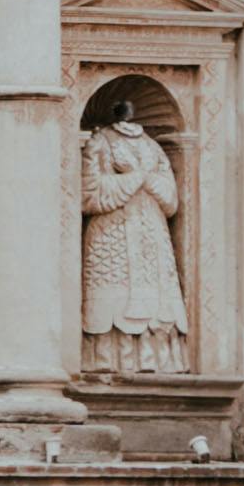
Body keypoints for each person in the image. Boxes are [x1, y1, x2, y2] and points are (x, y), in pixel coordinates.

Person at [80, 106, 193, 375]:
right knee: (112, 298)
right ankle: (107, 360)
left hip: (152, 231)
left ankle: (156, 360)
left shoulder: (154, 147)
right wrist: (135, 177)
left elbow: (171, 199)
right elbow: (89, 193)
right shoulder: (100, 141)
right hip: (112, 230)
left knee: (157, 305)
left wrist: (142, 176)